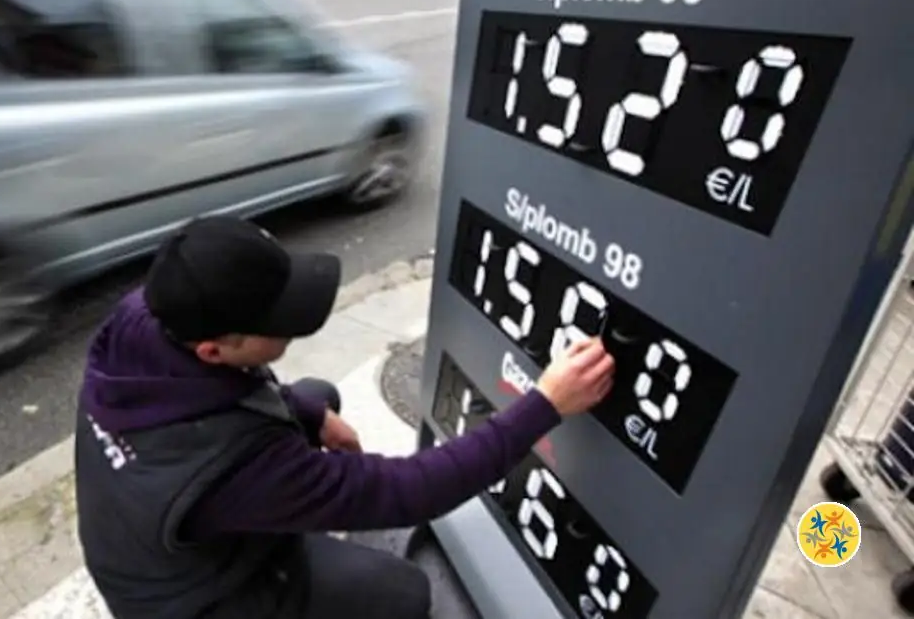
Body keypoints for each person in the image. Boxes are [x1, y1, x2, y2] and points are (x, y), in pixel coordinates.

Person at [74, 215, 615, 619]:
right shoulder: (238, 469)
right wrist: (546, 405)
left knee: (318, 392)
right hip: (197, 600)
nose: (295, 321)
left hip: (149, 534)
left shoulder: (141, 321)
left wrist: (308, 412)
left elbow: (223, 395)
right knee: (404, 594)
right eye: (279, 319)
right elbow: (410, 490)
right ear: (215, 350)